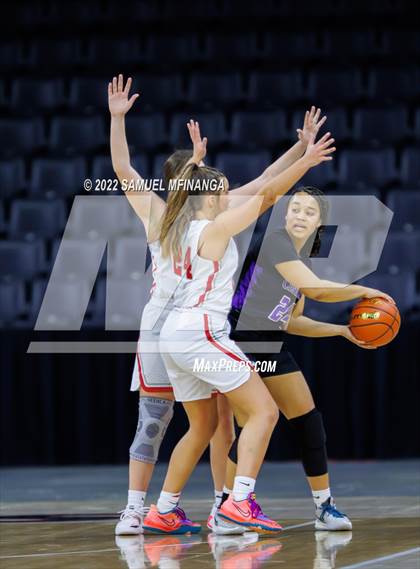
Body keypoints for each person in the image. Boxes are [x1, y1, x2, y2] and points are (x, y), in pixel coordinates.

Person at [108, 73, 329, 534]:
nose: (229, 191)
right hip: (194, 328)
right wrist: (306, 161)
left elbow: (264, 182)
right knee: (259, 412)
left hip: (173, 334)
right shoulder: (207, 224)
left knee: (205, 425)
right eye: (220, 187)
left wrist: (117, 121)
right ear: (205, 195)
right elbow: (268, 191)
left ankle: (169, 507)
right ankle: (234, 502)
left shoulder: (184, 221)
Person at [224, 185, 395, 530]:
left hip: (270, 342)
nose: (300, 215)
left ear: (320, 223)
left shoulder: (301, 258)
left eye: (309, 212)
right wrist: (364, 289)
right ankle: (229, 505)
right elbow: (317, 289)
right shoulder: (276, 242)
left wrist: (342, 331)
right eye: (296, 209)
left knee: (307, 423)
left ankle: (323, 507)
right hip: (242, 341)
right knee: (254, 424)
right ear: (285, 215)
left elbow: (293, 320)